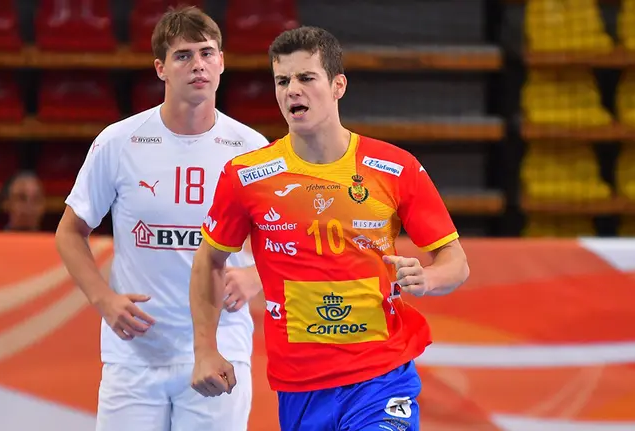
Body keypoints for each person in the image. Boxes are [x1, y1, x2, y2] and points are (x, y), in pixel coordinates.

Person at [189, 26, 470, 431]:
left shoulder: (394, 167)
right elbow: (209, 260)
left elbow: (456, 262)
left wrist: (426, 277)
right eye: (282, 81)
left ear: (338, 85)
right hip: (300, 386)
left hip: (382, 377)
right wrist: (204, 350)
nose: (292, 91)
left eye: (306, 78)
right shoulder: (246, 175)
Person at [54, 6, 269, 431]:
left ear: (222, 62)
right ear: (161, 69)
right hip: (135, 349)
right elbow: (70, 232)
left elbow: (285, 237)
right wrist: (103, 300)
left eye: (207, 53)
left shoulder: (252, 149)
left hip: (221, 345)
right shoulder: (120, 141)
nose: (198, 65)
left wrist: (257, 275)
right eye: (183, 55)